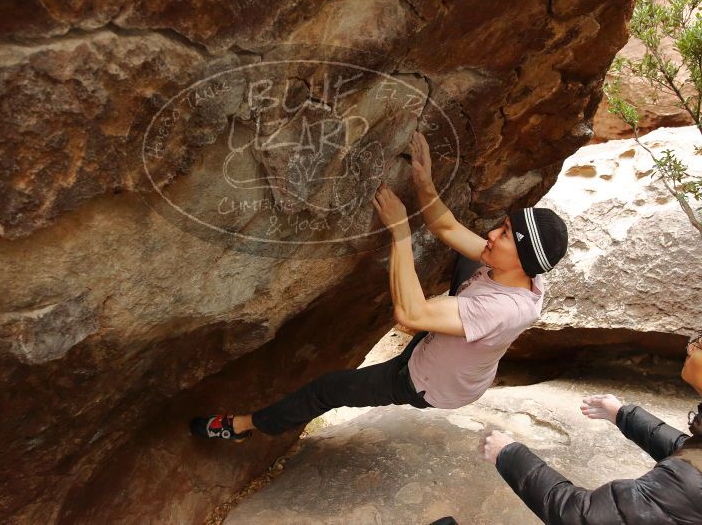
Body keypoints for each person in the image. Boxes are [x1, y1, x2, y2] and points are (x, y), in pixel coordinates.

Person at [191, 130, 569, 441]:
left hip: (426, 381)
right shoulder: (519, 271)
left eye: (503, 234)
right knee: (466, 256)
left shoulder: (500, 309)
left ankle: (241, 426)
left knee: (327, 389)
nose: (490, 234)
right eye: (501, 226)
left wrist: (400, 232)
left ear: (521, 259)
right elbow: (447, 227)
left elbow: (409, 314)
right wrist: (423, 179)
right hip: (456, 346)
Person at [479, 331, 702, 524]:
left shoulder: (690, 485)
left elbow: (583, 516)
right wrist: (625, 416)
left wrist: (509, 455)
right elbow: (690, 453)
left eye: (700, 342)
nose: (690, 347)